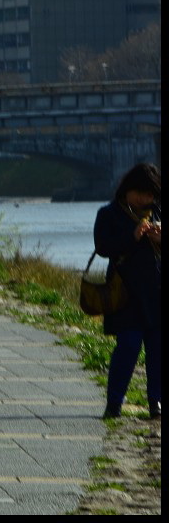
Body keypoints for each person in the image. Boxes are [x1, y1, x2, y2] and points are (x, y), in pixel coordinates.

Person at [94, 162, 161, 420]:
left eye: (151, 194)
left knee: (157, 349)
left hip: (156, 291)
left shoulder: (157, 211)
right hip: (125, 294)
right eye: (141, 193)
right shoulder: (109, 214)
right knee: (128, 346)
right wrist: (132, 237)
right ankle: (114, 403)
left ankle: (156, 402)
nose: (146, 199)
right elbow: (102, 247)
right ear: (128, 189)